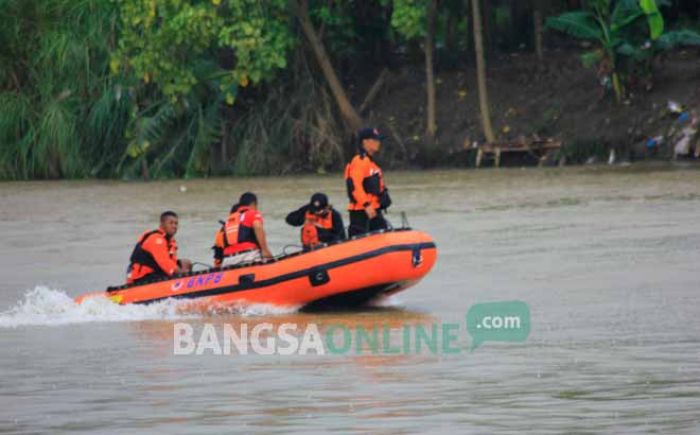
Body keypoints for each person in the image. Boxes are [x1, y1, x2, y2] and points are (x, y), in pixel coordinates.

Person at [344, 127, 392, 236]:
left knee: (383, 237)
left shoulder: (371, 163)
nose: (378, 143)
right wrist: (366, 205)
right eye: (375, 140)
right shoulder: (360, 161)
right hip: (362, 212)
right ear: (365, 142)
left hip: (374, 210)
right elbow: (356, 186)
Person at [126, 211, 192, 284]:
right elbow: (165, 262)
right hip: (142, 276)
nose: (174, 226)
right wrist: (183, 275)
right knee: (178, 271)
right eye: (171, 223)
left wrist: (182, 272)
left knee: (186, 263)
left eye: (176, 223)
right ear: (162, 224)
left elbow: (172, 262)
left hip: (156, 271)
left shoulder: (170, 240)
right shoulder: (156, 239)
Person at [213, 192, 273, 267]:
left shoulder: (226, 224)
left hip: (228, 261)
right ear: (253, 204)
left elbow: (218, 253)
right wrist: (265, 250)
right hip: (248, 256)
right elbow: (258, 226)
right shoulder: (251, 213)